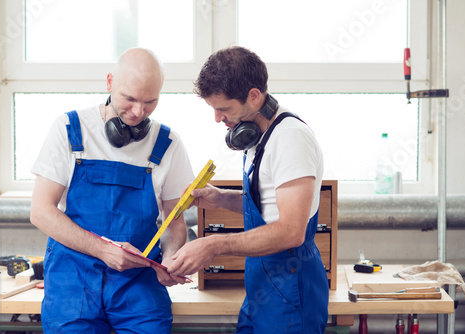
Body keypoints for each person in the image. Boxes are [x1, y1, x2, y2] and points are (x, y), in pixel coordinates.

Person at [30, 47, 194, 333]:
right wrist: (103, 250)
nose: (138, 112)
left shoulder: (168, 144)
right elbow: (41, 212)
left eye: (150, 102)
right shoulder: (69, 129)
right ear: (109, 82)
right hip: (73, 280)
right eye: (129, 99)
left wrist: (170, 257)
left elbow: (174, 220)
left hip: (138, 284)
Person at [167, 46, 329, 333]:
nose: (218, 118)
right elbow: (269, 205)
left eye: (223, 108)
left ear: (254, 96)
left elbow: (292, 231)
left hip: (290, 294)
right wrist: (221, 199)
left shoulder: (290, 140)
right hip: (261, 290)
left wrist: (214, 244)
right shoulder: (258, 135)